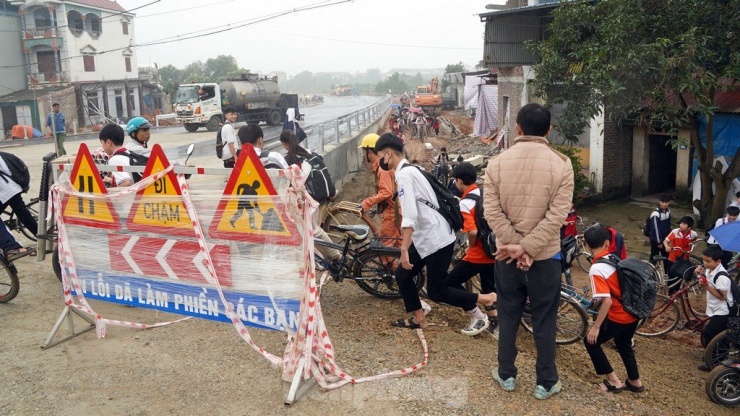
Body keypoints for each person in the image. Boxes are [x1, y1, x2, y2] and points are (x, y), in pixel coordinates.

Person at [484, 103, 574, 400]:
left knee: (508, 314)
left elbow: (492, 213)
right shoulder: (562, 164)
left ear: (518, 129)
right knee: (545, 319)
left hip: (507, 259)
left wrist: (516, 248)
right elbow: (557, 216)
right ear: (549, 129)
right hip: (545, 259)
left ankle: (506, 374)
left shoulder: (496, 163)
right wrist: (528, 248)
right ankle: (546, 382)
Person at [375, 133, 496, 332]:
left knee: (437, 291)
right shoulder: (414, 169)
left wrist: (404, 249)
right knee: (403, 276)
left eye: (380, 155)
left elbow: (410, 216)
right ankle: (419, 318)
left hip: (435, 239)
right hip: (430, 236)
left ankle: (485, 299)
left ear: (388, 154)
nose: (380, 160)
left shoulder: (404, 175)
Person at [582, 225, 644, 394]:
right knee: (623, 343)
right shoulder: (614, 258)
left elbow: (607, 301)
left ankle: (614, 381)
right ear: (607, 243)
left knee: (590, 342)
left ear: (586, 246)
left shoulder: (596, 268)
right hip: (633, 311)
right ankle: (635, 381)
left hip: (619, 315)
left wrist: (595, 327)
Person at [443, 162, 498, 335]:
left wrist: (471, 246)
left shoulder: (466, 203)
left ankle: (478, 316)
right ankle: (495, 324)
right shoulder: (484, 193)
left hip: (479, 254)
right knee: (488, 287)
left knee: (448, 283)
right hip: (494, 249)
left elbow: (473, 231)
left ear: (459, 181)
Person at [279, 130, 341, 266]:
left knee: (315, 231)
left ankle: (334, 258)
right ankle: (324, 262)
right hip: (321, 196)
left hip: (310, 200)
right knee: (315, 231)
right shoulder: (309, 153)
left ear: (284, 144)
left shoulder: (289, 159)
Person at [358, 133, 402, 248]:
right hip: (396, 209)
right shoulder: (381, 165)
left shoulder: (382, 169)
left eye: (364, 151)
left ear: (370, 151)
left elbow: (386, 192)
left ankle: (389, 266)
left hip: (393, 212)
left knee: (385, 245)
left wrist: (367, 203)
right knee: (398, 243)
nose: (363, 154)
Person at [696, 245, 735, 371]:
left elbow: (722, 296)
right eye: (704, 260)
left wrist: (706, 286)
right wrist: (699, 272)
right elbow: (705, 273)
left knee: (709, 333)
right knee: (718, 335)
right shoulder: (710, 269)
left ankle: (713, 361)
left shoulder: (722, 277)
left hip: (724, 310)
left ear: (718, 261)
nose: (705, 263)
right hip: (715, 308)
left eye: (708, 261)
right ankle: (717, 359)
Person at [0, 156, 38, 238]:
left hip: (8, 189)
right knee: (22, 212)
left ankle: (40, 234)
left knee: (23, 214)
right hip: (11, 187)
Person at [664, 215, 698, 291]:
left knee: (680, 276)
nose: (681, 226)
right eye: (681, 223)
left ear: (689, 227)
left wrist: (692, 244)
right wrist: (667, 247)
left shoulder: (693, 234)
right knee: (672, 277)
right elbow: (666, 241)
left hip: (684, 259)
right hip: (673, 258)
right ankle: (671, 294)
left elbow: (694, 241)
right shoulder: (675, 232)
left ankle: (676, 292)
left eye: (684, 224)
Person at [647, 195, 671, 269]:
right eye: (662, 202)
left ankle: (665, 273)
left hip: (665, 239)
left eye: (666, 202)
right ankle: (650, 271)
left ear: (669, 203)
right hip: (655, 239)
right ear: (659, 202)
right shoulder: (655, 214)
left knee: (666, 256)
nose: (664, 204)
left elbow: (668, 226)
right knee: (654, 256)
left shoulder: (668, 212)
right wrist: (659, 242)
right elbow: (655, 229)